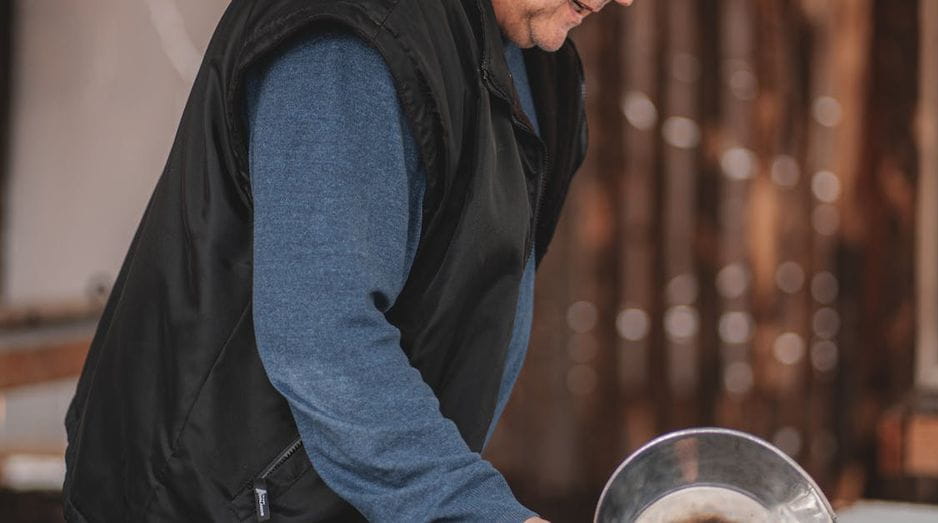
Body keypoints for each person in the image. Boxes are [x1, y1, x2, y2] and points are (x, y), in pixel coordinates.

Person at [62, 0, 631, 521]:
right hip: (209, 505)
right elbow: (322, 339)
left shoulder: (534, 62)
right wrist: (479, 512)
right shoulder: (352, 40)